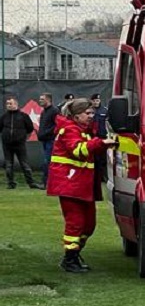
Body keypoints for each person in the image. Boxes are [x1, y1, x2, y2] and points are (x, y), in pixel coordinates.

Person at [46, 98, 117, 273]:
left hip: (82, 184)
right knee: (75, 223)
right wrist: (101, 143)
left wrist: (104, 144)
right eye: (88, 113)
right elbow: (78, 150)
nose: (91, 116)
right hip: (69, 184)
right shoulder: (68, 129)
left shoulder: (84, 130)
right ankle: (69, 259)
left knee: (89, 225)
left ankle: (74, 253)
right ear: (76, 115)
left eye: (93, 113)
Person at [2, 96, 43, 189]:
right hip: (7, 145)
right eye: (7, 104)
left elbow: (30, 128)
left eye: (10, 103)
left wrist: (21, 136)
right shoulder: (4, 116)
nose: (8, 105)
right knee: (9, 165)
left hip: (20, 145)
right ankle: (11, 183)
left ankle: (31, 183)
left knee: (24, 164)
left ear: (16, 104)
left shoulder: (23, 116)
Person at [36, 92, 59, 186]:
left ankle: (46, 182)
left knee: (48, 161)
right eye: (40, 99)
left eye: (42, 99)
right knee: (46, 161)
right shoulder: (43, 111)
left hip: (51, 140)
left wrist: (46, 133)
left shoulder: (54, 111)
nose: (40, 101)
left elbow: (57, 125)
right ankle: (47, 182)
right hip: (44, 140)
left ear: (48, 100)